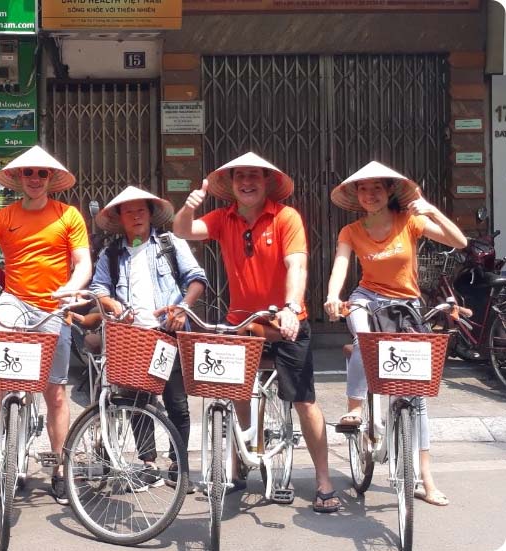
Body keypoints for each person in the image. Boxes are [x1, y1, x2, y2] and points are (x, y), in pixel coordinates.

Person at [173, 152, 341, 513]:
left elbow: (296, 264)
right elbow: (183, 231)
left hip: (283, 322)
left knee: (303, 399)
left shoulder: (286, 217)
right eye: (240, 177)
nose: (247, 182)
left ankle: (324, 478)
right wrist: (188, 206)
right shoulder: (223, 218)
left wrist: (292, 306)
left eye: (254, 177)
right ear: (231, 185)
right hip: (240, 321)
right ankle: (242, 459)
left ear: (267, 183)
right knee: (234, 388)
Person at [0, 145, 91, 504]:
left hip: (53, 307)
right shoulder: (2, 217)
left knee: (55, 391)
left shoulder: (68, 215)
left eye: (42, 173)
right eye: (28, 172)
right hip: (16, 299)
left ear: (51, 179)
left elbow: (83, 263)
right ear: (17, 178)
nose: (35, 179)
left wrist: (71, 288)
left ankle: (60, 466)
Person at [323, 161, 466, 507]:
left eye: (377, 188)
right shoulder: (351, 231)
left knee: (416, 398)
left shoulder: (410, 221)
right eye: (363, 189)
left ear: (389, 192)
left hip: (406, 304)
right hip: (367, 298)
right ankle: (356, 407)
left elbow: (458, 241)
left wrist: (431, 209)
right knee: (362, 336)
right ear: (356, 195)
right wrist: (332, 295)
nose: (370, 194)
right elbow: (341, 264)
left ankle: (425, 479)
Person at [89, 185, 207, 492]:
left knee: (176, 403)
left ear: (150, 214)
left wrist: (183, 307)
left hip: (168, 336)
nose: (137, 216)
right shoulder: (110, 254)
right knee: (136, 402)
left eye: (141, 209)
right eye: (129, 211)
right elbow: (98, 289)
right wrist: (113, 305)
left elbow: (197, 278)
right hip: (132, 338)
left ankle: (178, 466)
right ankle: (147, 464)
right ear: (120, 217)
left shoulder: (169, 244)